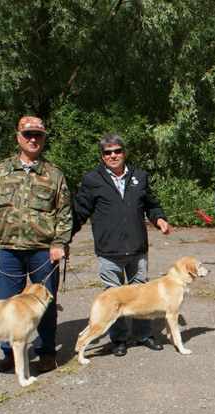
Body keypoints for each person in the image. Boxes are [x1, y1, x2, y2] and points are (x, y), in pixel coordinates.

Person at [0, 116, 72, 373]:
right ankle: (11, 353)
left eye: (38, 135)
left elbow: (64, 213)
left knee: (44, 304)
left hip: (43, 251)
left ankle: (46, 352)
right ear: (18, 138)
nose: (33, 139)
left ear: (43, 138)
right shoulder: (2, 170)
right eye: (28, 135)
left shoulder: (54, 174)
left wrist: (59, 243)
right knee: (6, 304)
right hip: (8, 249)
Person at [72, 134, 170, 357]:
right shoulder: (92, 179)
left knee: (142, 294)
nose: (113, 155)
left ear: (124, 152)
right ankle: (118, 339)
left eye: (117, 151)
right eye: (108, 152)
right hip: (109, 251)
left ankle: (144, 334)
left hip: (137, 248)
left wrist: (159, 218)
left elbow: (151, 204)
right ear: (102, 156)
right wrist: (62, 240)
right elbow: (79, 212)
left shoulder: (139, 176)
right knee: (113, 297)